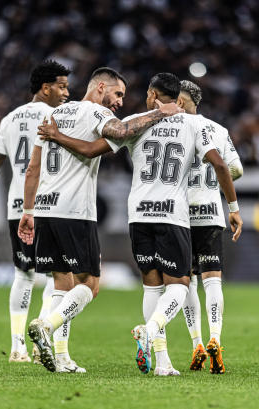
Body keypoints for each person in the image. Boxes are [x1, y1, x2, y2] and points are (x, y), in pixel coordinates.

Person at [35, 73, 243, 376]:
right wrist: (234, 208)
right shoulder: (195, 124)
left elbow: (91, 150)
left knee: (151, 287)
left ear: (152, 94)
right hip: (172, 214)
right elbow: (222, 165)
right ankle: (151, 328)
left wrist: (57, 136)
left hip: (138, 214)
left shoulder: (135, 122)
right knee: (181, 287)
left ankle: (163, 363)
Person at [18, 67, 183, 373]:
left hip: (44, 207)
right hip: (74, 210)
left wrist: (27, 212)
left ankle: (62, 356)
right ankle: (47, 325)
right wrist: (162, 113)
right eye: (117, 93)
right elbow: (120, 132)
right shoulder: (93, 112)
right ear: (100, 87)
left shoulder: (52, 116)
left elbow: (33, 169)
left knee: (62, 284)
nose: (120, 101)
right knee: (90, 285)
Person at [0, 60, 71, 364]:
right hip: (48, 207)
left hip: (16, 208)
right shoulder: (59, 116)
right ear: (45, 87)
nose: (66, 92)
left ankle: (17, 347)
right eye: (61, 86)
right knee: (59, 274)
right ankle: (42, 334)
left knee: (23, 275)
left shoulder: (10, 119)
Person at [177, 80, 243, 374]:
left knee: (187, 280)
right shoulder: (217, 129)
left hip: (180, 214)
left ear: (183, 101)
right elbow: (236, 169)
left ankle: (197, 343)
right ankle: (216, 337)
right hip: (211, 212)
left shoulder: (170, 126)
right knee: (212, 280)